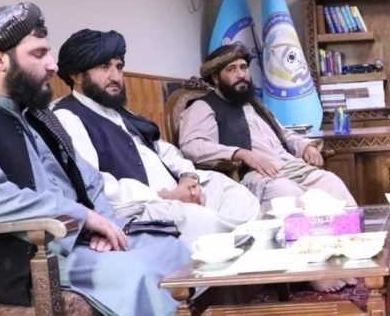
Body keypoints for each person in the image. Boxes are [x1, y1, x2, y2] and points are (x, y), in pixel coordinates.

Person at [0, 3, 190, 315]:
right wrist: (82, 217)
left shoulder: (36, 114)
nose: (52, 65)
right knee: (139, 271)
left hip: (75, 240)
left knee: (173, 248)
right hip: (21, 256)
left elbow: (89, 179)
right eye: (39, 54)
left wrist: (103, 225)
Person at [52, 29, 260, 244]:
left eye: (119, 67)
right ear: (77, 76)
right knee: (201, 220)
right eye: (104, 67)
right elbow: (95, 185)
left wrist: (188, 177)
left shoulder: (120, 112)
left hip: (175, 192)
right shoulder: (68, 117)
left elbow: (164, 150)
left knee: (237, 195)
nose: (115, 76)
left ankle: (240, 250)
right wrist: (165, 197)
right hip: (140, 208)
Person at [179, 42, 357, 292]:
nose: (241, 74)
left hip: (290, 166)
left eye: (243, 67)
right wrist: (238, 153)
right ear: (215, 77)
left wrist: (305, 146)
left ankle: (343, 260)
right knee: (287, 195)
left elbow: (284, 134)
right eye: (231, 69)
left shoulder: (254, 104)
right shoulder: (203, 107)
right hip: (252, 175)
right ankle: (308, 271)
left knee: (332, 184)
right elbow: (192, 145)